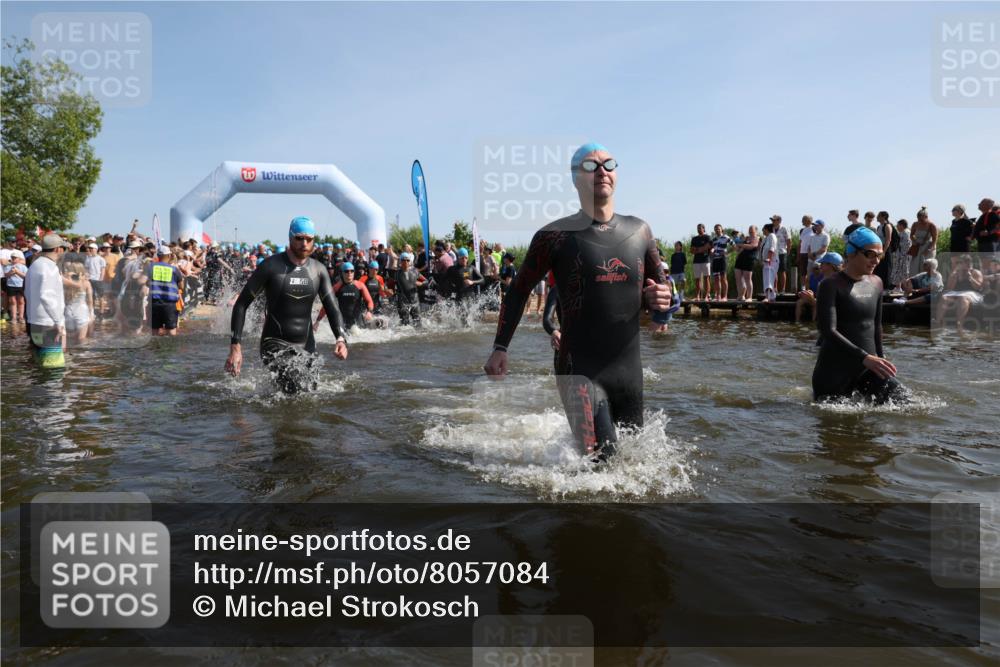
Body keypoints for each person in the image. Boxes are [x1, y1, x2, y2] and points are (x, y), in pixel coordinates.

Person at [483, 142, 672, 461]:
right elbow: (519, 291)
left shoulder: (640, 230)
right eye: (590, 165)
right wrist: (500, 347)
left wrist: (663, 305)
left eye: (609, 164)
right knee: (605, 459)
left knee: (634, 462)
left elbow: (663, 293)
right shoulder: (554, 236)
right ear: (575, 179)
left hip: (628, 371)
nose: (602, 171)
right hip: (578, 368)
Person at [227, 217, 348, 393]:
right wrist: (235, 347)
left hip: (306, 344)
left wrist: (340, 339)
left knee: (309, 393)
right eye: (299, 238)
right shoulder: (271, 266)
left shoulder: (319, 270)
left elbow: (332, 307)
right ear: (290, 237)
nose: (304, 243)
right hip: (274, 343)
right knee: (294, 385)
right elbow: (241, 305)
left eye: (309, 239)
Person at [813, 227, 907, 404]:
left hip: (869, 368)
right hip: (834, 373)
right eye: (870, 254)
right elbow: (827, 330)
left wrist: (880, 358)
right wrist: (864, 357)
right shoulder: (831, 285)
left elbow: (876, 326)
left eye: (879, 255)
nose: (876, 261)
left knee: (907, 404)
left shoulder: (877, 283)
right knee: (836, 425)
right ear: (852, 253)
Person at [25, 233, 72, 368]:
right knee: (54, 369)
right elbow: (46, 295)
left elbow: (27, 292)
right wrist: (58, 321)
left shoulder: (35, 265)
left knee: (39, 365)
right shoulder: (49, 267)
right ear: (58, 249)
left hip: (34, 321)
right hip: (48, 323)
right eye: (63, 248)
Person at [315, 262, 374, 331]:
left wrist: (369, 311)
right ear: (342, 273)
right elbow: (327, 305)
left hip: (358, 322)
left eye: (352, 271)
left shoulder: (360, 286)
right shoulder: (337, 287)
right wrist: (318, 321)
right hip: (343, 323)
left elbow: (369, 301)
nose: (349, 273)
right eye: (346, 271)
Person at [935, 254, 984, 333]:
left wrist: (970, 278)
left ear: (968, 263)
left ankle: (959, 324)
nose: (959, 265)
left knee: (963, 297)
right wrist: (954, 276)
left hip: (972, 293)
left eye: (961, 263)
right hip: (957, 292)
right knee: (944, 297)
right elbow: (950, 288)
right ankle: (938, 322)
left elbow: (978, 287)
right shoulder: (956, 272)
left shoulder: (975, 272)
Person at [795, 252, 842, 322]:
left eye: (822, 263)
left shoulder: (839, 282)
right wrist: (809, 296)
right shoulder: (823, 282)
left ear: (830, 265)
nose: (820, 266)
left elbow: (829, 306)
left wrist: (811, 299)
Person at [148, 245, 182, 336]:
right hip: (169, 304)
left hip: (154, 303)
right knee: (171, 331)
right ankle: (170, 349)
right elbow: (181, 286)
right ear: (169, 256)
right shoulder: (174, 269)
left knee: (154, 331)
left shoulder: (151, 267)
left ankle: (155, 349)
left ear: (158, 256)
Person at [447, 247, 484, 325]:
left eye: (466, 258)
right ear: (458, 258)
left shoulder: (471, 268)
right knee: (463, 319)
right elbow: (445, 281)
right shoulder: (452, 269)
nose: (464, 259)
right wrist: (450, 288)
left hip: (470, 297)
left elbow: (482, 280)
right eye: (462, 258)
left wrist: (472, 282)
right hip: (459, 297)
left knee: (468, 319)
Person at [394, 252, 426, 326]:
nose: (405, 262)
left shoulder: (415, 271)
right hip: (403, 301)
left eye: (407, 260)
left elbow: (425, 281)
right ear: (400, 261)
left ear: (410, 261)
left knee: (418, 323)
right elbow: (389, 285)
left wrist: (421, 283)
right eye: (403, 260)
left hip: (414, 301)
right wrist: (388, 289)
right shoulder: (396, 273)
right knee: (404, 324)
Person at [909, 207, 938, 276]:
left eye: (921, 219)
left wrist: (929, 249)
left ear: (926, 217)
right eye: (918, 218)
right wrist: (914, 241)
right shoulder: (915, 224)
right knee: (914, 266)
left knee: (926, 265)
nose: (919, 220)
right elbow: (911, 235)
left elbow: (934, 239)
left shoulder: (932, 225)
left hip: (928, 246)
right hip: (917, 246)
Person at [733, 225, 759, 301]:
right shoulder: (746, 238)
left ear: (756, 231)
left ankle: (749, 297)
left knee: (748, 279)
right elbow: (741, 249)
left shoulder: (757, 238)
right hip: (740, 259)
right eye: (749, 230)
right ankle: (740, 295)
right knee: (738, 278)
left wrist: (740, 245)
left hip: (749, 259)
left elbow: (752, 246)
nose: (750, 232)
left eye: (752, 231)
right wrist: (737, 250)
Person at [709, 224, 731, 300]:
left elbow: (734, 246)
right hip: (715, 259)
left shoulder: (726, 237)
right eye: (716, 229)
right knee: (716, 278)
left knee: (723, 278)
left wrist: (727, 252)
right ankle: (718, 296)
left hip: (722, 259)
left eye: (718, 229)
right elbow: (712, 248)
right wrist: (712, 250)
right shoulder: (713, 239)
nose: (717, 230)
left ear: (722, 229)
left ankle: (725, 296)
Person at [4, 250, 27, 323]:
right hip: (11, 285)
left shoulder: (23, 266)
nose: (13, 259)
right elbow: (6, 275)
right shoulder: (8, 266)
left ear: (19, 259)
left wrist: (17, 272)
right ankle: (13, 317)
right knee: (12, 301)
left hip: (20, 285)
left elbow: (26, 276)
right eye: (12, 258)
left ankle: (21, 317)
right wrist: (11, 272)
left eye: (15, 258)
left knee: (21, 301)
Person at [874, 211, 895, 290]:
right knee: (879, 268)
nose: (877, 217)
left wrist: (884, 252)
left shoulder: (887, 226)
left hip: (886, 249)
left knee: (886, 269)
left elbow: (888, 240)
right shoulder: (879, 227)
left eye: (878, 216)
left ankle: (886, 288)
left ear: (883, 217)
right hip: (879, 249)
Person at [770, 215, 791, 293]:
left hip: (782, 252)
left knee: (782, 271)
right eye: (772, 220)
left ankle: (783, 289)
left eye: (774, 220)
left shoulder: (784, 228)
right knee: (774, 271)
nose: (772, 221)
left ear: (779, 221)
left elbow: (789, 241)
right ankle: (775, 288)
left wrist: (788, 252)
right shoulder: (771, 228)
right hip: (773, 253)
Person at [690, 223, 712, 300]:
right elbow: (691, 250)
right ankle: (697, 296)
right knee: (697, 279)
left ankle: (707, 295)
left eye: (700, 228)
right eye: (697, 228)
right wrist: (701, 249)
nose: (699, 229)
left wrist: (697, 249)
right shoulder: (694, 239)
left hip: (706, 260)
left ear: (704, 229)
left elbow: (708, 247)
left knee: (707, 278)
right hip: (696, 261)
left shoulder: (707, 237)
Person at [891, 219, 912, 289]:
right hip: (900, 256)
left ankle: (905, 288)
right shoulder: (902, 232)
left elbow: (906, 245)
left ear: (902, 225)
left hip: (904, 256)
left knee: (904, 272)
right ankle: (898, 287)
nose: (897, 227)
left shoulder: (906, 233)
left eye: (898, 225)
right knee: (899, 272)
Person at [760, 223, 778, 301]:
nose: (762, 230)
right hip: (766, 262)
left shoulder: (772, 236)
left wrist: (769, 258)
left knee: (769, 279)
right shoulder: (765, 238)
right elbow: (762, 250)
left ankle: (768, 297)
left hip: (771, 261)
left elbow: (772, 247)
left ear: (767, 229)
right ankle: (772, 297)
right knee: (767, 278)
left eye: (763, 228)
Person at [797, 215, 815, 290]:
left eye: (803, 220)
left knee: (810, 271)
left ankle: (811, 287)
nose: (802, 221)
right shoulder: (803, 230)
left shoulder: (814, 229)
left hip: (811, 253)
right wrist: (798, 255)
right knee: (803, 271)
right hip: (802, 253)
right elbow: (800, 242)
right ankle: (803, 288)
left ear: (809, 220)